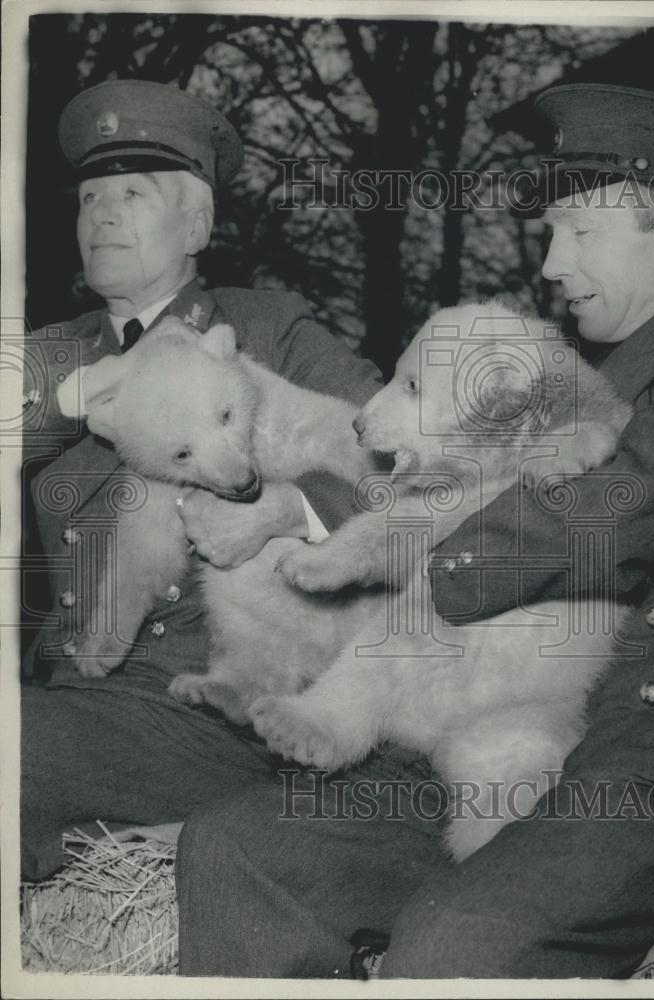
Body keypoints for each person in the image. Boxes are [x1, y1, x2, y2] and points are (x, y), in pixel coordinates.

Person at [174, 85, 654, 978]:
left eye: (578, 231)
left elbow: (629, 495)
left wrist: (430, 553)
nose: (552, 263)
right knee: (236, 849)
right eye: (548, 235)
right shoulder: (546, 362)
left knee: (458, 944)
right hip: (481, 713)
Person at [20, 78, 435, 881]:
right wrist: (101, 377)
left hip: (210, 707)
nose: (102, 213)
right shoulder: (52, 353)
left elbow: (408, 469)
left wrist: (292, 509)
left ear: (198, 223)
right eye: (89, 197)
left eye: (134, 193)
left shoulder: (272, 326)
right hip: (70, 691)